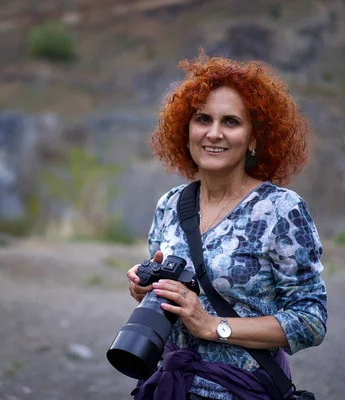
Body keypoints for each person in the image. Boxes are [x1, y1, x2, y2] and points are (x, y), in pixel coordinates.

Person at [126, 53, 328, 400]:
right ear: (186, 129)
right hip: (170, 388)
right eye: (203, 118)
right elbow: (171, 305)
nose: (214, 133)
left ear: (253, 138)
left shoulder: (280, 209)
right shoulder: (170, 205)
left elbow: (311, 320)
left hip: (242, 391)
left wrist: (212, 325)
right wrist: (146, 290)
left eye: (231, 122)